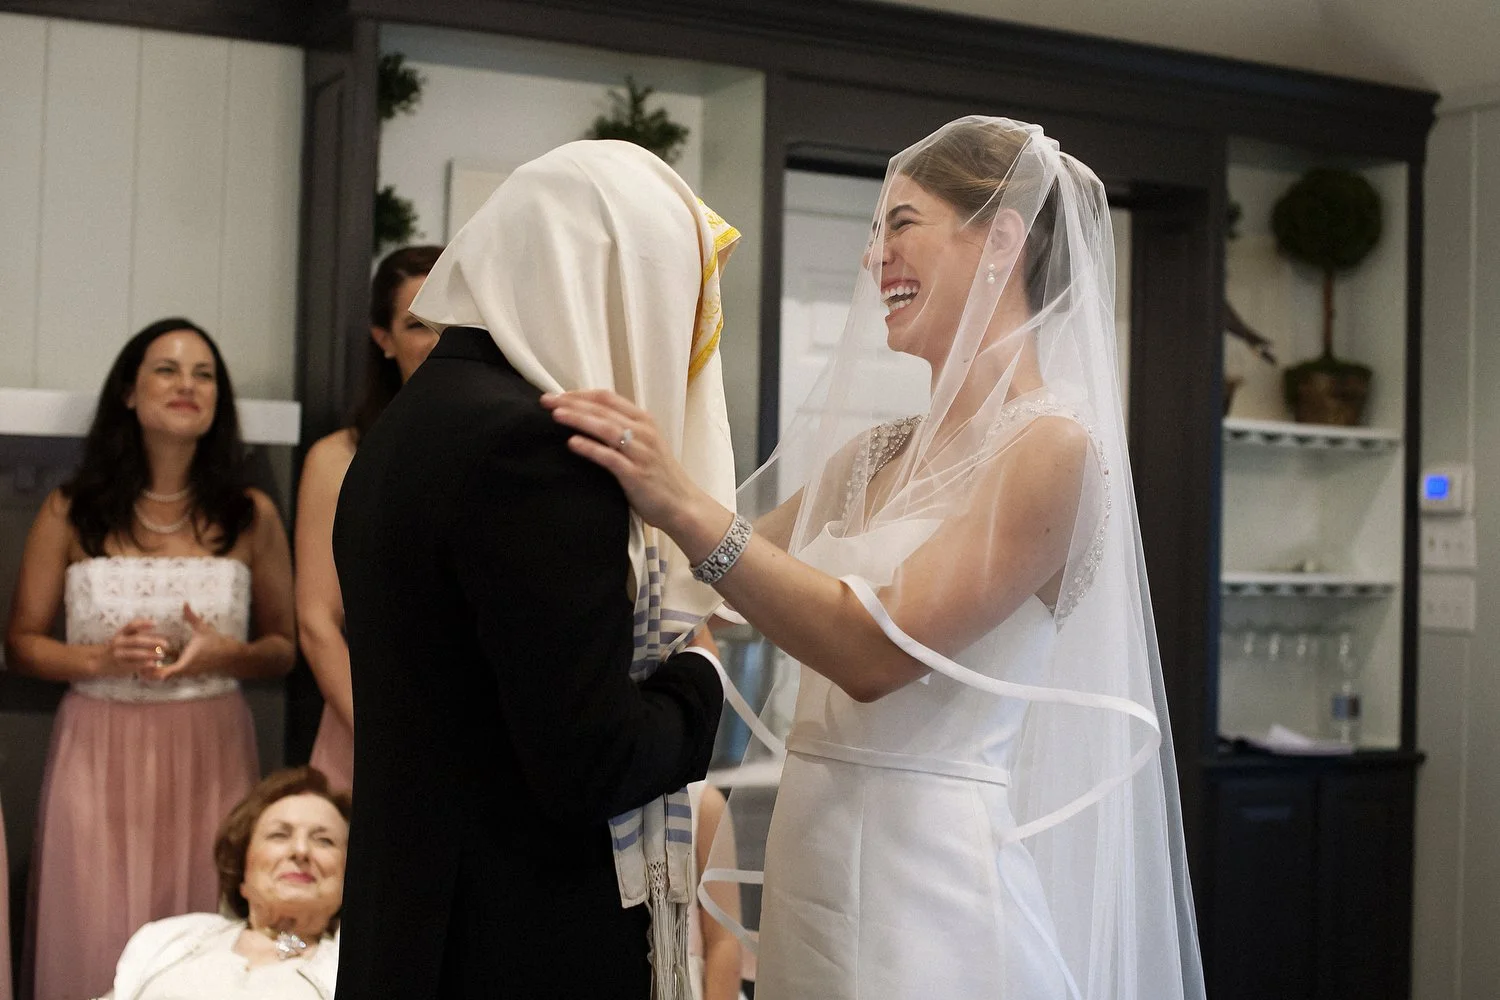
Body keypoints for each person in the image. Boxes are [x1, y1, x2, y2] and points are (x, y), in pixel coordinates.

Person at [546, 117, 1206, 1000]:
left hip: (930, 890)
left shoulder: (1053, 449)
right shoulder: (871, 455)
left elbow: (876, 652)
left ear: (1002, 237)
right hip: (810, 865)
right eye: (873, 233)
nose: (874, 259)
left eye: (901, 225)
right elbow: (710, 589)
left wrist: (686, 503)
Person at [330, 139, 733, 1000]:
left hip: (411, 917)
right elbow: (592, 761)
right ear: (611, 283)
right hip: (516, 939)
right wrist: (700, 673)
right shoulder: (537, 448)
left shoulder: (414, 417)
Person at [5, 318, 296, 1000]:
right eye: (167, 369)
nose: (187, 385)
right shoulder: (71, 509)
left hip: (211, 746)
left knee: (206, 921)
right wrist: (99, 659)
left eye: (204, 374)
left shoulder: (249, 513)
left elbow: (284, 647)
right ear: (129, 393)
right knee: (94, 921)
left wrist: (228, 654)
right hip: (98, 747)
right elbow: (19, 642)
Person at [299, 244, 443, 792]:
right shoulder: (338, 459)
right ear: (383, 340)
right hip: (369, 720)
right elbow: (316, 620)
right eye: (418, 326)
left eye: (455, 322)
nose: (440, 342)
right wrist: (387, 735)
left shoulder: (515, 445)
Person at [98, 766, 348, 1000]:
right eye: (279, 835)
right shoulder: (170, 940)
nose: (301, 850)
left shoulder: (357, 970)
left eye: (324, 840)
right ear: (243, 869)